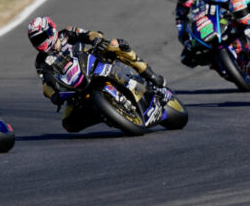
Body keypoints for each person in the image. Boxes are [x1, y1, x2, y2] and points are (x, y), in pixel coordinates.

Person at [27, 15, 164, 128]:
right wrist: (53, 95)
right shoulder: (41, 61)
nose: (41, 42)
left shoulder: (67, 33)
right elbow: (46, 83)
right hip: (76, 87)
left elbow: (89, 34)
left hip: (96, 63)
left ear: (51, 30)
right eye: (36, 40)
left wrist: (97, 39)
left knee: (115, 45)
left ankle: (150, 75)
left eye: (41, 37)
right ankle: (107, 113)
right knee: (68, 123)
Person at [173, 0, 237, 68]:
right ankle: (214, 63)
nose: (184, 0)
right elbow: (180, 29)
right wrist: (186, 42)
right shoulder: (180, 11)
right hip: (201, 35)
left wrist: (233, 8)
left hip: (221, 21)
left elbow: (226, 1)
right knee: (185, 58)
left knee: (240, 24)